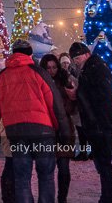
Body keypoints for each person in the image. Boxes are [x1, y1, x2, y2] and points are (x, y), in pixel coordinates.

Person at [0, 40, 71, 203]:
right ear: (30, 54)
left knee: (22, 178)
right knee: (46, 176)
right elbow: (55, 104)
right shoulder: (39, 73)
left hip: (15, 131)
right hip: (43, 131)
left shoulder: (2, 76)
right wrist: (63, 131)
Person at [70, 41, 112, 203]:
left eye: (77, 57)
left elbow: (100, 95)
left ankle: (107, 197)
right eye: (74, 58)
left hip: (101, 123)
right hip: (100, 123)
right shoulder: (92, 67)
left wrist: (78, 93)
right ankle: (107, 196)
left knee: (104, 163)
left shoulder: (94, 69)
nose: (75, 60)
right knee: (102, 163)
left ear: (86, 54)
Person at [39, 53, 78, 203]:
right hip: (46, 129)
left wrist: (65, 107)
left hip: (64, 130)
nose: (51, 71)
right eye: (48, 68)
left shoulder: (65, 80)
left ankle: (62, 198)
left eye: (54, 67)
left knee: (64, 168)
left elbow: (72, 104)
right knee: (47, 168)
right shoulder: (41, 82)